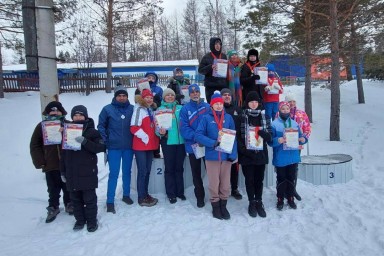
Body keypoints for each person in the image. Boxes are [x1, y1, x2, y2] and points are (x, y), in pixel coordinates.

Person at [60, 105, 105, 232]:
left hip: (87, 172)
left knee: (89, 199)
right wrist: (62, 171)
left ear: (85, 116)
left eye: (81, 115)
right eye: (75, 115)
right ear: (72, 117)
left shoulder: (92, 131)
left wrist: (85, 142)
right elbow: (63, 154)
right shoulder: (67, 131)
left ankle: (91, 221)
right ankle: (79, 220)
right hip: (72, 172)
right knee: (75, 199)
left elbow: (101, 147)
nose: (78, 117)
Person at [195, 91, 237, 220]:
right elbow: (198, 135)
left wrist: (233, 154)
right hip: (212, 156)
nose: (219, 106)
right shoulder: (206, 118)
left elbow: (234, 137)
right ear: (211, 105)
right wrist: (212, 143)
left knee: (225, 184)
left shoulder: (228, 118)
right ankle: (216, 206)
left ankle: (223, 205)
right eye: (216, 104)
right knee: (214, 183)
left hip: (226, 156)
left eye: (220, 103)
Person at [30, 101, 73, 223]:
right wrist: (40, 161)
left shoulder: (68, 124)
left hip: (67, 163)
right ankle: (53, 206)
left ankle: (69, 203)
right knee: (53, 188)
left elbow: (75, 139)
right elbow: (35, 144)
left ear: (61, 112)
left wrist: (64, 131)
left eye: (57, 110)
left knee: (68, 186)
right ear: (48, 113)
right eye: (52, 111)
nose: (55, 113)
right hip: (50, 163)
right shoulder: (42, 126)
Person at [98, 86, 134, 214]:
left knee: (127, 172)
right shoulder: (107, 109)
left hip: (129, 147)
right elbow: (101, 126)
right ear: (115, 96)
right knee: (113, 174)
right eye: (119, 95)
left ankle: (126, 194)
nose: (122, 97)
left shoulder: (132, 109)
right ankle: (110, 201)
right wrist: (106, 140)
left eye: (124, 95)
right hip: (113, 147)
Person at [235, 91, 272, 218]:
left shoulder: (265, 117)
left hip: (261, 154)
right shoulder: (241, 116)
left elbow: (270, 136)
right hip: (247, 155)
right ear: (247, 103)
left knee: (259, 180)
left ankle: (259, 201)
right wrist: (245, 150)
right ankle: (251, 202)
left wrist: (265, 135)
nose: (254, 104)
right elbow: (238, 137)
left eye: (256, 101)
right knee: (249, 180)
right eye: (251, 102)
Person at [269, 101, 307, 211]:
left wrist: (303, 139)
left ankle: (290, 198)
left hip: (293, 157)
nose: (285, 111)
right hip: (281, 157)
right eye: (283, 109)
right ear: (279, 110)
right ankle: (280, 198)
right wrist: (278, 140)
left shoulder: (295, 123)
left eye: (287, 109)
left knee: (291, 178)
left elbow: (301, 136)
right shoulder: (274, 124)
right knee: (281, 179)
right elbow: (270, 142)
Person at [179, 84, 210, 208]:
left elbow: (212, 125)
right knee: (196, 173)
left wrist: (206, 139)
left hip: (207, 146)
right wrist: (198, 137)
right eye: (192, 92)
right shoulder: (185, 109)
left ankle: (214, 195)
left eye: (197, 91)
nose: (195, 94)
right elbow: (184, 128)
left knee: (211, 172)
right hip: (193, 147)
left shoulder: (207, 107)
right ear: (189, 94)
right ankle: (200, 196)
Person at [130, 89, 160, 207]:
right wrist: (145, 137)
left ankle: (145, 194)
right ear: (142, 98)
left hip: (150, 146)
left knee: (147, 171)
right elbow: (134, 127)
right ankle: (141, 197)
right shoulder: (138, 109)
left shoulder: (151, 110)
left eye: (151, 98)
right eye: (146, 97)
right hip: (141, 146)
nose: (149, 99)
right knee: (142, 172)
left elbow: (153, 126)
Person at [156, 88, 186, 203]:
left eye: (172, 95)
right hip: (168, 143)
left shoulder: (180, 108)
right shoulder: (160, 109)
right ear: (164, 97)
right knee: (169, 169)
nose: (170, 97)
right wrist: (160, 132)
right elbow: (156, 128)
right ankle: (171, 193)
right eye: (167, 95)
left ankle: (180, 192)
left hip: (181, 142)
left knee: (179, 168)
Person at [284, 93, 312, 201]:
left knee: (294, 168)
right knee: (284, 167)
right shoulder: (281, 113)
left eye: (293, 101)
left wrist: (304, 138)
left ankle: (293, 189)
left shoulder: (301, 114)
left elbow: (307, 128)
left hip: (296, 146)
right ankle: (284, 189)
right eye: (289, 101)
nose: (291, 103)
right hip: (284, 146)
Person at [220, 88, 243, 200]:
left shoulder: (237, 109)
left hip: (234, 144)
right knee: (222, 168)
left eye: (229, 94)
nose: (227, 96)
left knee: (234, 167)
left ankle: (234, 188)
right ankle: (223, 189)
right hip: (221, 144)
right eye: (224, 95)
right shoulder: (219, 108)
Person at [198, 37, 228, 103]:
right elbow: (200, 70)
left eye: (219, 44)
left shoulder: (224, 56)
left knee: (222, 105)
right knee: (212, 104)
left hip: (222, 85)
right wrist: (210, 67)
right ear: (212, 45)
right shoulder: (206, 57)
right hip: (211, 86)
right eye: (216, 44)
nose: (218, 46)